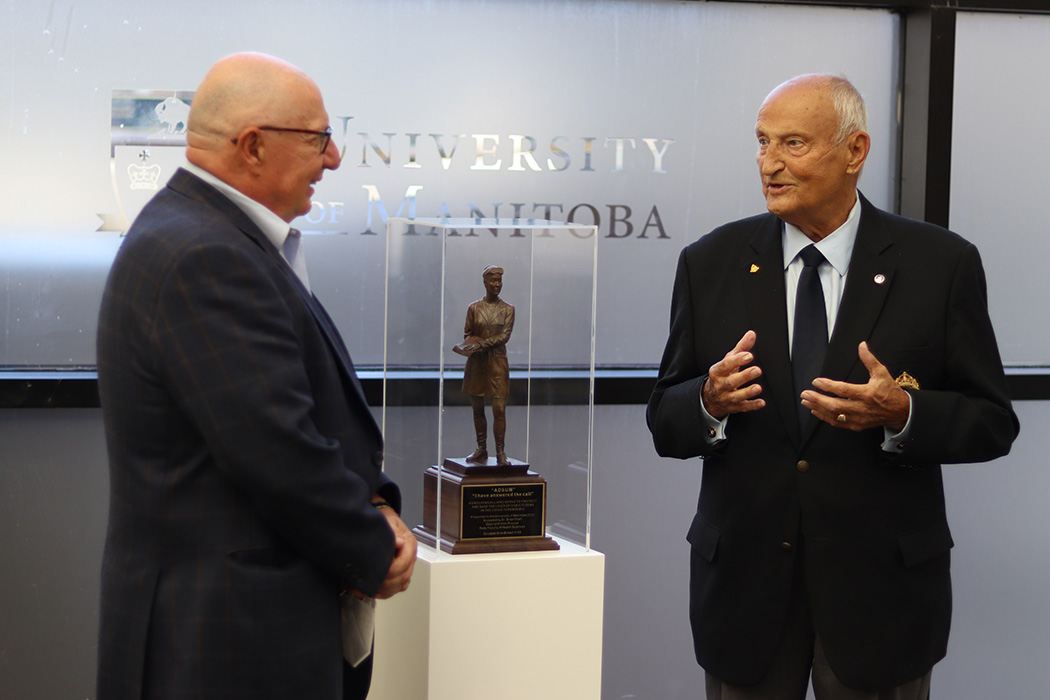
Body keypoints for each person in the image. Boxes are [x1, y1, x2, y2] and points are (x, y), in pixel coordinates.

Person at [647, 73, 1019, 700]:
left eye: (792, 144)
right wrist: (707, 403)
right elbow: (664, 418)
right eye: (762, 143)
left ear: (855, 151)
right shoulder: (709, 261)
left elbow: (992, 422)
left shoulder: (941, 264)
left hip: (884, 596)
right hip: (746, 595)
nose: (769, 165)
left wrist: (903, 414)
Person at [95, 52, 417, 700]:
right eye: (319, 139)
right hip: (228, 644)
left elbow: (294, 414)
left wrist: (376, 501)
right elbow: (277, 450)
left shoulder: (207, 238)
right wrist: (372, 544)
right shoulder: (205, 256)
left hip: (236, 629)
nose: (334, 160)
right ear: (252, 147)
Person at [455, 265, 515, 466]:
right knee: (477, 409)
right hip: (477, 364)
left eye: (499, 281)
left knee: (499, 409)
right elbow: (468, 334)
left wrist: (482, 344)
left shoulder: (508, 309)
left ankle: (500, 452)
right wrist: (471, 345)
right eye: (493, 281)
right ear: (485, 282)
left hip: (497, 364)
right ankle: (481, 449)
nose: (497, 285)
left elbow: (504, 337)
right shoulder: (473, 308)